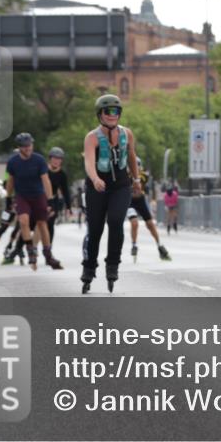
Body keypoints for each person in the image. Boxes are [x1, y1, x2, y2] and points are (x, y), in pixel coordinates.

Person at [81, 94, 141, 293]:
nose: (111, 115)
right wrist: (95, 178)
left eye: (115, 111)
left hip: (121, 186)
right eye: (107, 112)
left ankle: (112, 264)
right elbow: (89, 162)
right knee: (95, 230)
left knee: (116, 221)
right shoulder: (92, 137)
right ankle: (89, 268)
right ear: (100, 114)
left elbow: (131, 156)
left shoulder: (127, 134)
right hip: (97, 188)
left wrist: (137, 179)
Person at [6, 133, 63, 271]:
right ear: (19, 148)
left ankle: (48, 254)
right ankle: (31, 251)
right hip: (22, 196)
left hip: (38, 196)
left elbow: (46, 180)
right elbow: (11, 181)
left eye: (29, 145)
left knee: (42, 223)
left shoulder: (39, 160)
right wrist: (8, 198)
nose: (28, 149)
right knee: (23, 221)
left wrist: (50, 200)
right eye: (24, 147)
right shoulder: (13, 162)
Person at [127, 157, 171, 262]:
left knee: (150, 224)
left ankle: (159, 245)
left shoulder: (144, 176)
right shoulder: (125, 176)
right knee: (134, 223)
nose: (135, 168)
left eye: (137, 166)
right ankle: (134, 245)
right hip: (130, 202)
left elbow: (140, 186)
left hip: (140, 201)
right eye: (133, 166)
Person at [46, 147, 72, 245]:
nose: (57, 161)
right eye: (54, 158)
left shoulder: (62, 174)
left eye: (59, 159)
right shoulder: (43, 170)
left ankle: (48, 249)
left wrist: (69, 207)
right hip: (41, 199)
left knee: (50, 224)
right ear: (50, 158)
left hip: (53, 200)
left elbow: (65, 191)